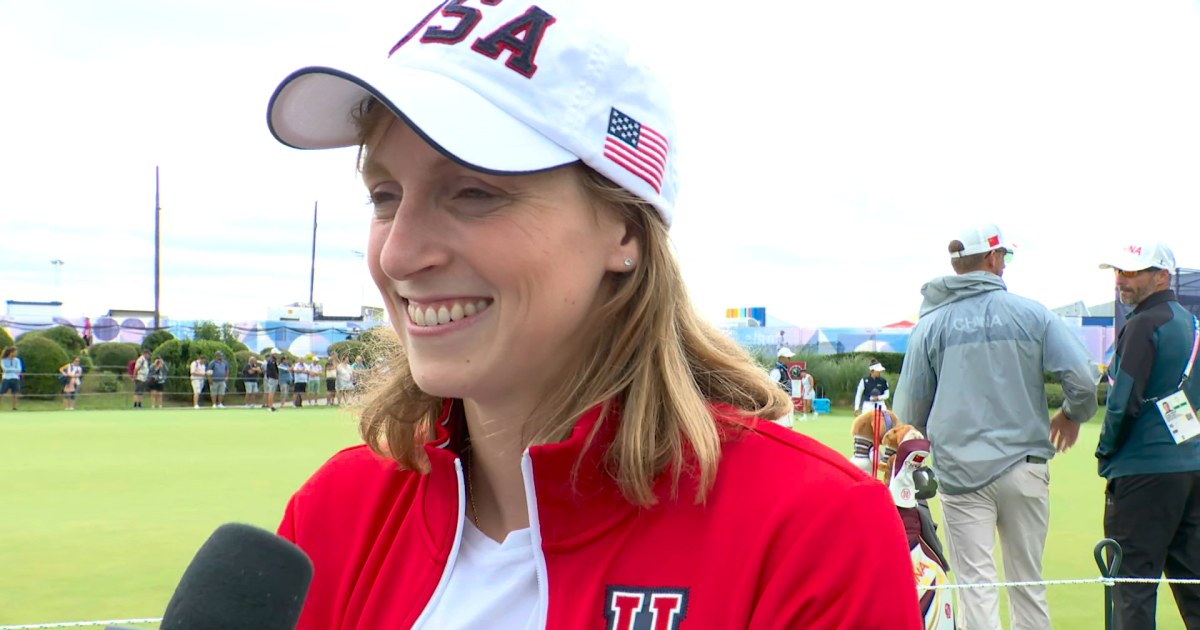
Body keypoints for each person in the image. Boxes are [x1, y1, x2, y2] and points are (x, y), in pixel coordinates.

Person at [266, 2, 921, 627]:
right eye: (385, 195)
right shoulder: (332, 517)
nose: (400, 252)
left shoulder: (809, 531)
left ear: (624, 230)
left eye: (472, 191)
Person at [893, 223, 1098, 630]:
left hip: (960, 474)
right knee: (1028, 585)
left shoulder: (931, 325)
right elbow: (1084, 379)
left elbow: (909, 413)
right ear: (992, 259)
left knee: (975, 589)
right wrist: (1073, 416)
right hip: (1024, 466)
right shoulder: (1032, 313)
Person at [1096, 241, 1200, 629]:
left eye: (1132, 272)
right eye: (1119, 272)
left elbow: (1123, 400)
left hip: (1142, 470)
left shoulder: (1141, 324)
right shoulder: (1192, 324)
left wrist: (1105, 452)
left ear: (1161, 276)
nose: (1121, 280)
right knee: (1194, 584)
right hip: (1190, 465)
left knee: (1134, 586)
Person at [769, 347, 794, 427]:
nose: (789, 359)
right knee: (782, 425)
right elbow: (771, 387)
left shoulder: (784, 370)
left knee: (789, 425)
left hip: (787, 400)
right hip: (781, 402)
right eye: (788, 357)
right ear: (781, 358)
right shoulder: (776, 370)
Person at [1, 346, 22, 411]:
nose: (16, 353)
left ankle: (14, 407)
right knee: (1, 392)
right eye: (15, 352)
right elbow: (4, 369)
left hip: (15, 378)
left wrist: (11, 369)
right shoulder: (3, 360)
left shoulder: (17, 360)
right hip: (6, 378)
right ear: (11, 352)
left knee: (15, 393)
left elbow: (19, 369)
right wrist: (14, 369)